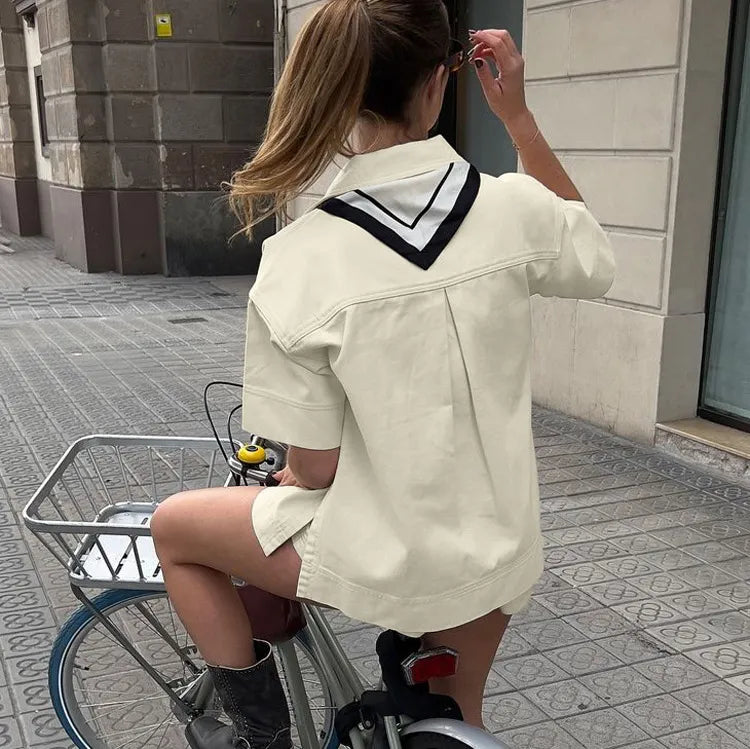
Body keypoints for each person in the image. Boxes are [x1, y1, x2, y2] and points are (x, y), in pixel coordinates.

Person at [151, 0, 615, 747]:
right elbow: (592, 256)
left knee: (174, 528)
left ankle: (260, 735)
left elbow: (317, 465)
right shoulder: (511, 209)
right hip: (493, 546)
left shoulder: (300, 257)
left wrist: (295, 475)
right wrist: (519, 119)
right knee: (456, 722)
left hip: (379, 555)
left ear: (338, 95)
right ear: (439, 81)